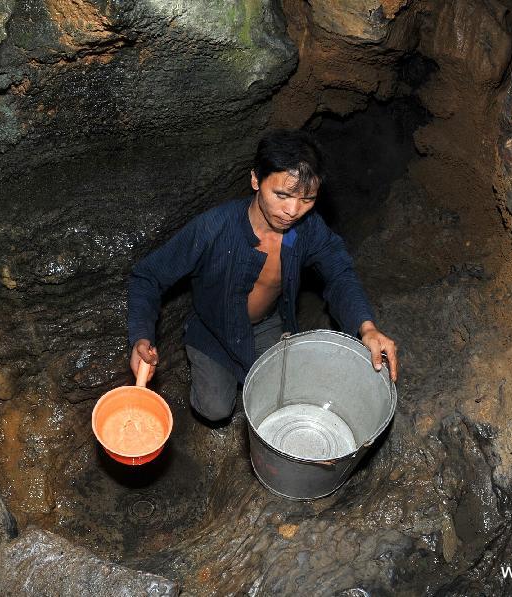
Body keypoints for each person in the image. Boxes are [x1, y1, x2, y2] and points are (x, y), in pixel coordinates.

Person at [127, 129, 398, 423]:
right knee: (215, 408)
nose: (292, 210)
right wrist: (141, 336)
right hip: (212, 330)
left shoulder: (307, 229)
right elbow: (148, 276)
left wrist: (366, 327)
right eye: (281, 194)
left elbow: (339, 272)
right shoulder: (213, 229)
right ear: (256, 179)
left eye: (307, 199)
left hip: (267, 326)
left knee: (292, 397)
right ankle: (208, 368)